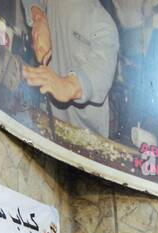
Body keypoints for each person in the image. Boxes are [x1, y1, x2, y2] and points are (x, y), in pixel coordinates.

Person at [21, 0, 120, 138]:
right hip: (49, 119)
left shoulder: (105, 25)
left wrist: (68, 85)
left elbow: (100, 70)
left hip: (85, 134)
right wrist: (39, 18)